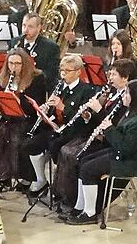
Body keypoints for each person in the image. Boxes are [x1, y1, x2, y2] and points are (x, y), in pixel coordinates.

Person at [66, 79, 137, 225]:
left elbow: (125, 147)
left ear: (135, 97)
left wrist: (109, 129)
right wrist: (104, 134)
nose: (123, 96)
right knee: (83, 161)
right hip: (122, 154)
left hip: (132, 162)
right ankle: (81, 207)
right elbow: (122, 139)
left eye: (126, 94)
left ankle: (90, 213)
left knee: (88, 169)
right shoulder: (133, 113)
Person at [55, 59, 136, 214]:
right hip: (102, 137)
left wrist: (99, 109)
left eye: (114, 74)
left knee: (77, 157)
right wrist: (87, 116)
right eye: (109, 73)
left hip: (110, 142)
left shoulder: (127, 98)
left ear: (125, 78)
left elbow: (115, 123)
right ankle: (74, 201)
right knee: (68, 152)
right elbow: (98, 120)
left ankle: (80, 202)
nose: (110, 77)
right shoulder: (112, 93)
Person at [21, 55, 96, 196]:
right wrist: (43, 111)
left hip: (74, 132)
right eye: (62, 70)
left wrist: (62, 106)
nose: (63, 74)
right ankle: (41, 180)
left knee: (56, 147)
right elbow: (53, 111)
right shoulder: (60, 86)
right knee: (30, 145)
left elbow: (81, 118)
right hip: (56, 128)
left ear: (78, 71)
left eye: (67, 71)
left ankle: (62, 185)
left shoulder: (86, 90)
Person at [0, 48, 46, 193]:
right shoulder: (3, 78)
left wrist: (18, 100)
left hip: (28, 119)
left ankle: (25, 177)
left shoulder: (37, 78)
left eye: (17, 63)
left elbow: (36, 106)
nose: (13, 67)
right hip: (8, 118)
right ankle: (2, 176)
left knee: (15, 138)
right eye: (11, 63)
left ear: (25, 64)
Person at [7, 12, 60, 92]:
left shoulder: (51, 47)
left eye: (30, 27)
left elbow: (52, 74)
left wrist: (35, 73)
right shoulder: (14, 42)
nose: (25, 30)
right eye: (24, 25)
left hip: (37, 89)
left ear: (39, 28)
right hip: (16, 85)